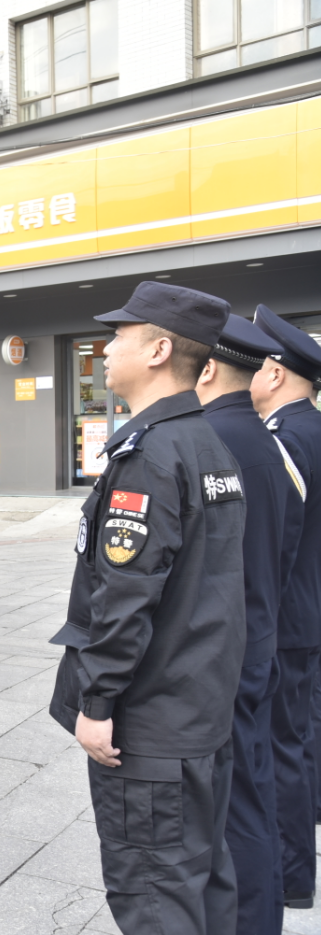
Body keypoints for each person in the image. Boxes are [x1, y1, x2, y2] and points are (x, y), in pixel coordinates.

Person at [46, 282, 245, 934]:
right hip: (199, 714)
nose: (104, 349)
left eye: (119, 336)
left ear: (159, 349)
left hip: (151, 729)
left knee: (155, 897)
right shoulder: (207, 444)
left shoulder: (152, 454)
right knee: (203, 884)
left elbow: (127, 595)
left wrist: (96, 702)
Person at [196, 316, 304, 935]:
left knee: (231, 806)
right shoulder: (269, 445)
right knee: (254, 789)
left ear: (207, 368)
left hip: (223, 655)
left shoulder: (209, 442)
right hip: (261, 640)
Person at [250, 304, 321, 911]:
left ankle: (294, 876)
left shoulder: (289, 437)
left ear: (274, 374)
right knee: (295, 739)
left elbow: (281, 540)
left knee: (281, 748)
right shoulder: (310, 428)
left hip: (289, 619)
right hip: (307, 612)